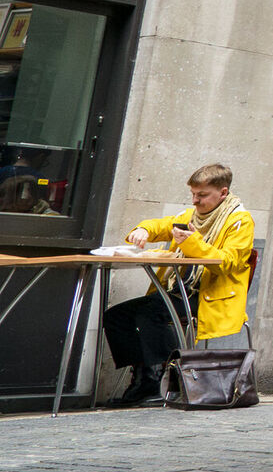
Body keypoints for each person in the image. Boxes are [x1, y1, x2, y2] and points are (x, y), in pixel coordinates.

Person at [104, 163, 255, 407]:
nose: (195, 201)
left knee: (150, 313)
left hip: (210, 296)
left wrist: (192, 242)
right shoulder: (190, 217)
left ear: (223, 193)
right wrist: (143, 229)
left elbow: (226, 262)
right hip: (179, 291)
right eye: (193, 194)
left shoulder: (240, 221)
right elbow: (162, 225)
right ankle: (144, 378)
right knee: (116, 316)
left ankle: (168, 380)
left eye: (202, 195)